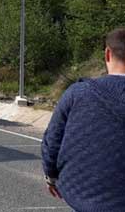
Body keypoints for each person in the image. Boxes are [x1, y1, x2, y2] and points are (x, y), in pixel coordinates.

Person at [41, 28, 125, 212]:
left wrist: (51, 175)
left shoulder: (78, 93)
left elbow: (53, 139)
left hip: (85, 198)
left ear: (108, 54)